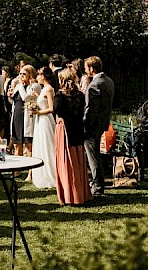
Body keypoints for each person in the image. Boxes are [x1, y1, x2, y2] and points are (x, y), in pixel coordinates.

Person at [53, 69, 91, 206]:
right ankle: (81, 194)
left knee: (67, 163)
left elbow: (57, 111)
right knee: (78, 162)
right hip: (78, 129)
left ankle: (70, 195)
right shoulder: (80, 95)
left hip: (65, 130)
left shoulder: (59, 96)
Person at [82, 56, 114, 198]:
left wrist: (85, 123)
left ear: (91, 68)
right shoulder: (108, 81)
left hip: (93, 124)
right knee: (95, 154)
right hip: (103, 122)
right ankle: (97, 183)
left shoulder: (95, 85)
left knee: (92, 156)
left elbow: (91, 109)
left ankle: (97, 186)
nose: (85, 71)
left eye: (86, 68)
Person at [30, 67, 57, 189]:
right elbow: (43, 103)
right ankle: (42, 174)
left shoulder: (49, 89)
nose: (37, 77)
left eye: (39, 75)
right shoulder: (43, 89)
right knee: (41, 146)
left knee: (48, 146)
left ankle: (51, 175)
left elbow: (51, 108)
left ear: (44, 76)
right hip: (40, 121)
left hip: (46, 121)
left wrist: (37, 113)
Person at [8, 65, 35, 156]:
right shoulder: (19, 86)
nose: (21, 76)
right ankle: (17, 169)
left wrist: (20, 85)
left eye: (24, 74)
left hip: (27, 118)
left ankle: (30, 169)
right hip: (17, 116)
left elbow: (25, 98)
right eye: (20, 74)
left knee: (28, 146)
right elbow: (14, 101)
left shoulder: (33, 86)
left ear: (30, 75)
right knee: (17, 145)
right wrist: (10, 96)